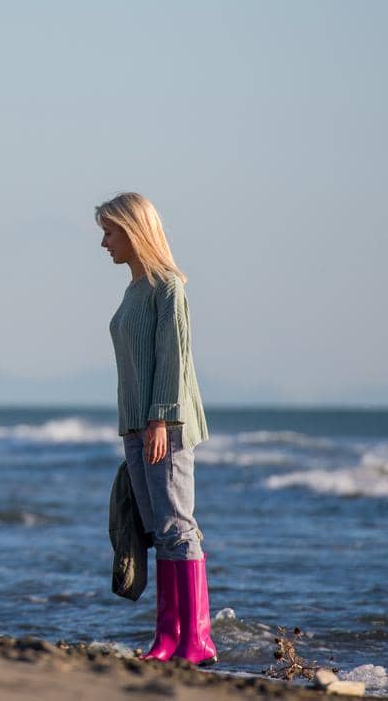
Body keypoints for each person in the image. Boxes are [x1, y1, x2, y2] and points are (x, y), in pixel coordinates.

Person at [96, 192, 217, 666]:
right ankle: (168, 639)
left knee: (177, 528)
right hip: (137, 426)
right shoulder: (134, 291)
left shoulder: (169, 288)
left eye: (110, 232)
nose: (104, 243)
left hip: (164, 426)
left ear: (134, 231)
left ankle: (198, 641)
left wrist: (161, 419)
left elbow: (174, 359)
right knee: (156, 531)